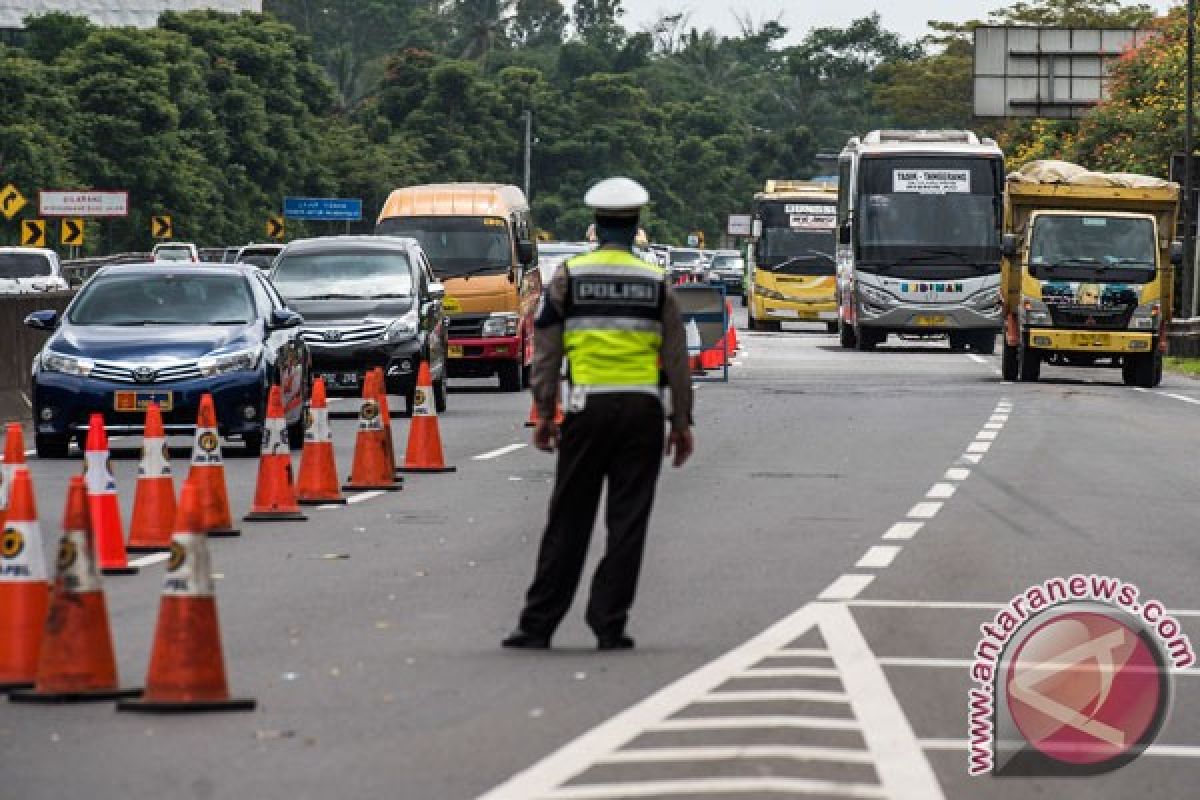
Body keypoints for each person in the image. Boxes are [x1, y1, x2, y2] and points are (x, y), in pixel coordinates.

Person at [503, 177, 695, 651]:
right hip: (642, 412)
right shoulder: (655, 282)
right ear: (635, 227)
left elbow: (545, 351)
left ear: (595, 225)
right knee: (628, 522)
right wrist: (682, 422)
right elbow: (677, 358)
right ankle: (609, 623)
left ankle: (538, 623)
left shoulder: (569, 275)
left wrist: (545, 411)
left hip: (587, 408)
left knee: (568, 517)